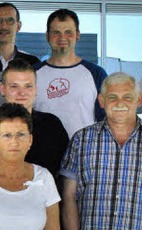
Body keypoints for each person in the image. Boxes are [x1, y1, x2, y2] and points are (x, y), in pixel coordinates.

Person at [61, 72, 142, 230]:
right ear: (101, 101)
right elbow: (69, 198)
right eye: (112, 97)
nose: (120, 103)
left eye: (128, 97)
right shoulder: (82, 140)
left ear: (139, 100)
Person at [0, 59, 69, 178]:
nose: (22, 93)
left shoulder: (52, 126)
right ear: (2, 89)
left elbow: (64, 173)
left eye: (28, 86)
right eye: (14, 86)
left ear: (36, 90)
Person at [33, 9, 107, 138]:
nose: (62, 38)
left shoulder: (96, 73)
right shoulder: (32, 73)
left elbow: (105, 119)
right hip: (41, 154)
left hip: (83, 153)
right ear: (47, 36)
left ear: (78, 35)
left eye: (69, 32)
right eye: (56, 32)